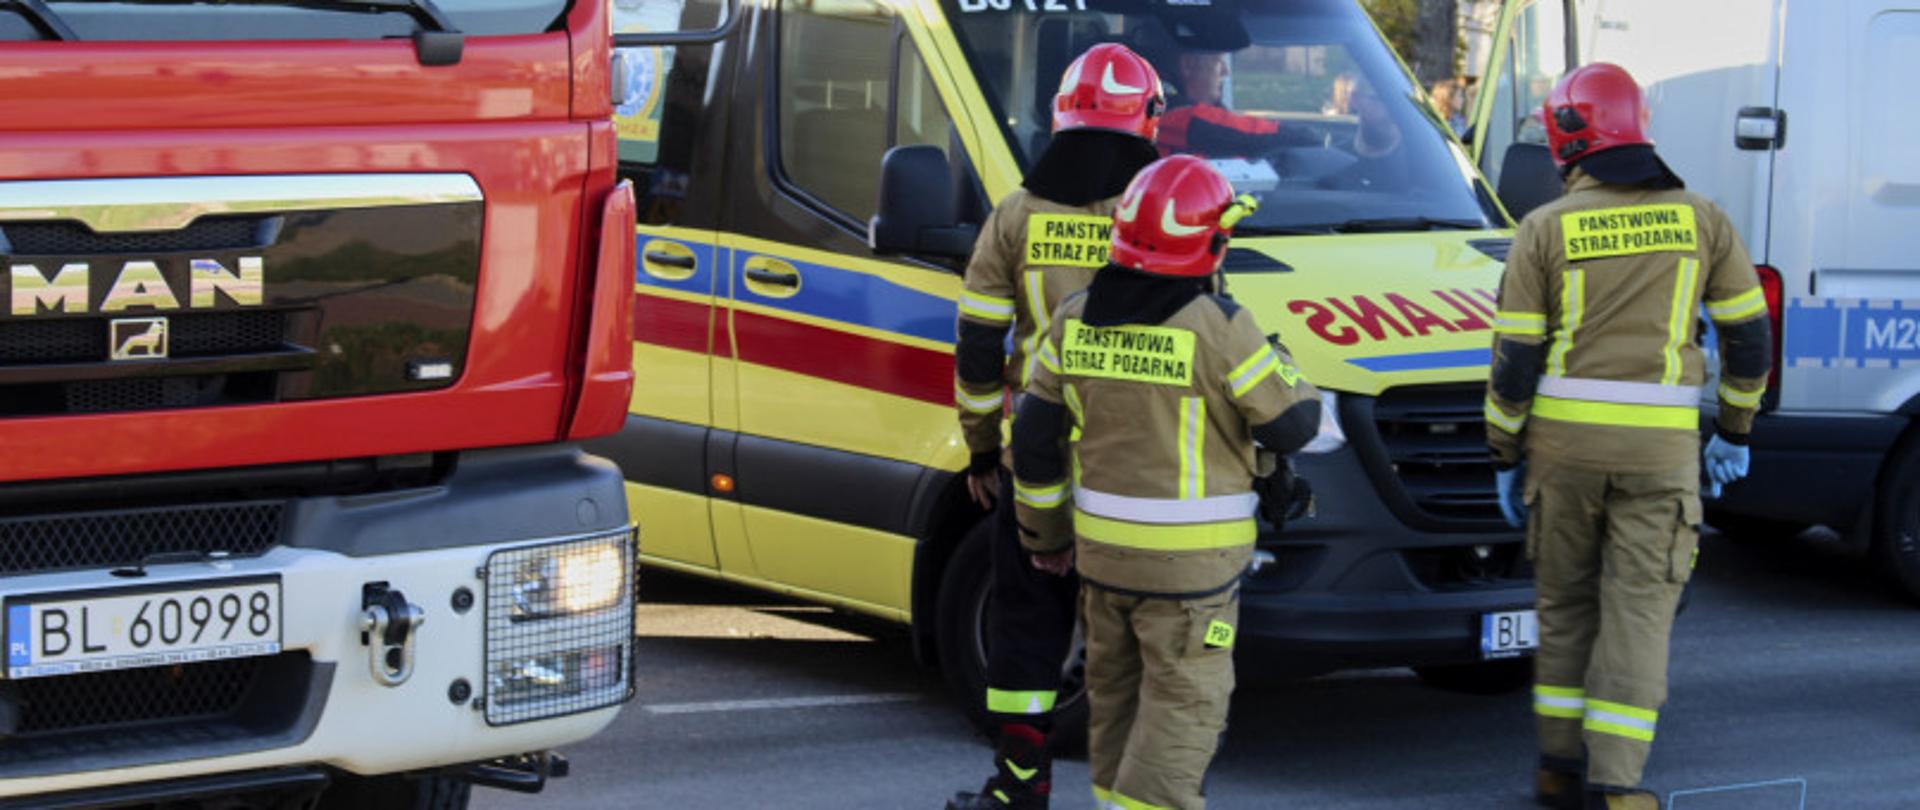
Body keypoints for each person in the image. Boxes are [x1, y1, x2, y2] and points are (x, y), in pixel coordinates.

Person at [1483, 63, 1771, 810]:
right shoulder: (1701, 217)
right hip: (1660, 457)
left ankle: (1556, 772)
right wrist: (1734, 430)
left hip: (1564, 457)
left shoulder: (1543, 228)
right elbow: (1749, 340)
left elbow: (1515, 362)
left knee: (1566, 608)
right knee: (1639, 613)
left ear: (1566, 140)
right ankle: (1616, 789)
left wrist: (1504, 453)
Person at [1010, 155, 1322, 810]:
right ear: (1209, 242)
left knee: (1117, 709)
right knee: (1181, 714)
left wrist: (1044, 538)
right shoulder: (1219, 328)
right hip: (1191, 579)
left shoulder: (1074, 317)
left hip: (1101, 564)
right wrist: (1278, 357)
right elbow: (1294, 424)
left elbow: (1035, 441)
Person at [947, 42, 1165, 810]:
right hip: (1138, 464)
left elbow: (978, 344)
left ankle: (1018, 785)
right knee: (1136, 631)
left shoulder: (1015, 214)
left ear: (1060, 116)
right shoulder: (1160, 212)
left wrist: (981, 448)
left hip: (1035, 455)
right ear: (1147, 118)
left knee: (1027, 626)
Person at [1157, 50, 1316, 157]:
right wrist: (1309, 137)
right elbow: (1245, 132)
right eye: (1219, 62)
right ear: (1188, 65)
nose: (1226, 72)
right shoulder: (1172, 114)